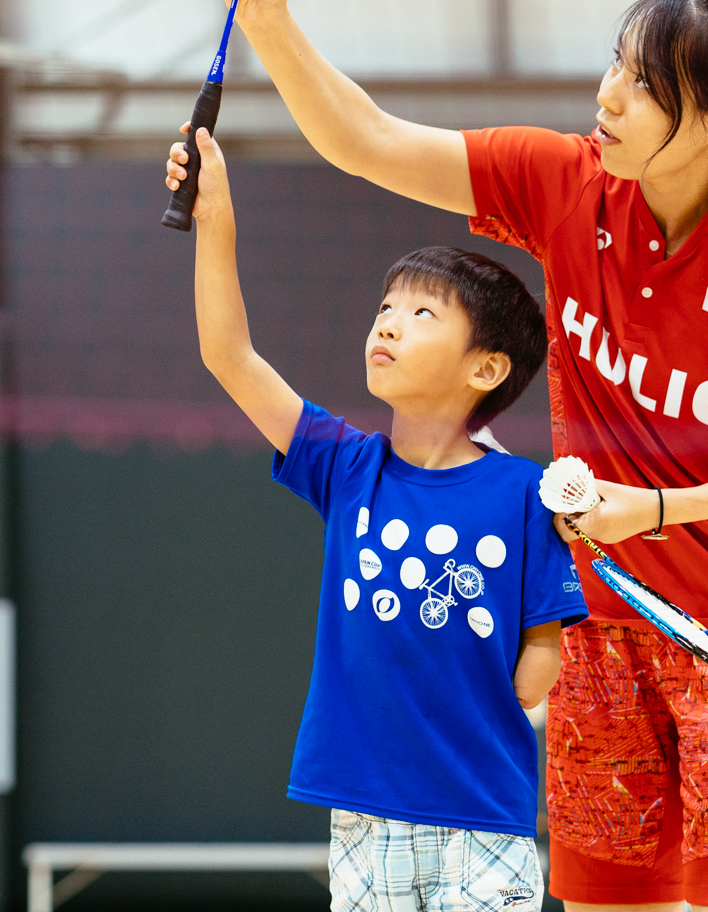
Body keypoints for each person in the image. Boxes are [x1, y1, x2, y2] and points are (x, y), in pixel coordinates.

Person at [170, 0, 708, 912]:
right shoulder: (564, 185)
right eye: (613, 68)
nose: (606, 98)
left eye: (643, 88)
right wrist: (272, 20)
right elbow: (363, 142)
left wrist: (648, 511)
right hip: (605, 624)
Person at [187, 121, 587, 912]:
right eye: (386, 306)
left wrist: (489, 699)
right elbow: (229, 355)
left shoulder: (524, 495)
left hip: (485, 819)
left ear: (488, 367)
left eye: (423, 313)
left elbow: (546, 648)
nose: (389, 322)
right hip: (367, 819)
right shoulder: (345, 465)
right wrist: (215, 217)